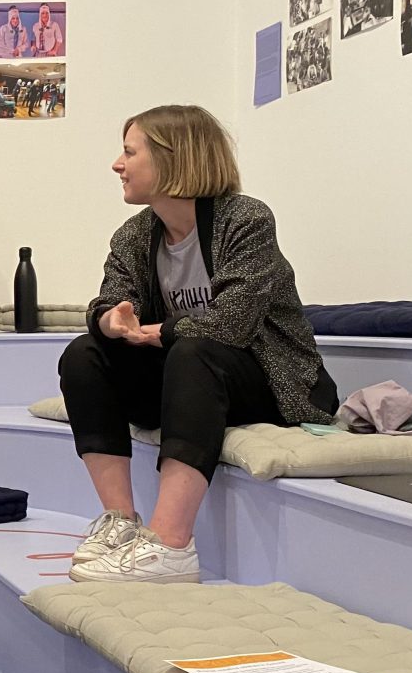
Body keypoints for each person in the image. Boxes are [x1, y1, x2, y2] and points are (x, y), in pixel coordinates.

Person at [60, 105, 338, 584]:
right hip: (189, 379)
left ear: (174, 158)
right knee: (83, 355)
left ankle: (170, 546)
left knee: (192, 350)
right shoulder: (134, 234)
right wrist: (110, 322)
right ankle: (122, 526)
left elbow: (234, 322)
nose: (116, 164)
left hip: (268, 381)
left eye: (129, 152)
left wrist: (162, 331)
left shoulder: (245, 218)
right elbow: (107, 301)